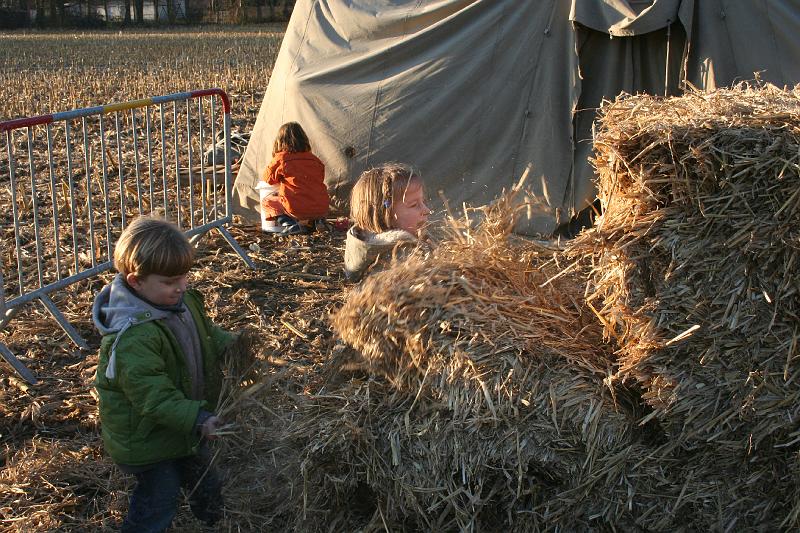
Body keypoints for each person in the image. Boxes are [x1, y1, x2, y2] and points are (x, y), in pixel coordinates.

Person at [92, 216, 235, 533]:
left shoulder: (180, 303)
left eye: (184, 277)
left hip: (184, 426)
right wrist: (198, 418)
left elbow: (204, 335)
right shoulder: (134, 337)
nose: (181, 287)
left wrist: (233, 346)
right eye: (170, 282)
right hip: (149, 440)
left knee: (207, 481)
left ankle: (213, 522)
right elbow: (153, 398)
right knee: (159, 500)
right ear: (135, 281)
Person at [344, 162, 431, 281]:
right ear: (386, 215)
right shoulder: (397, 257)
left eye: (424, 202)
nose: (427, 210)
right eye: (414, 205)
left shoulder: (364, 247)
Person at [260, 121, 329, 234]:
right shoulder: (316, 160)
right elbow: (319, 179)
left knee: (268, 202)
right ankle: (317, 221)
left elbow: (268, 179)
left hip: (296, 209)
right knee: (309, 196)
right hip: (321, 208)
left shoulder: (281, 159)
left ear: (280, 141)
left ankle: (290, 224)